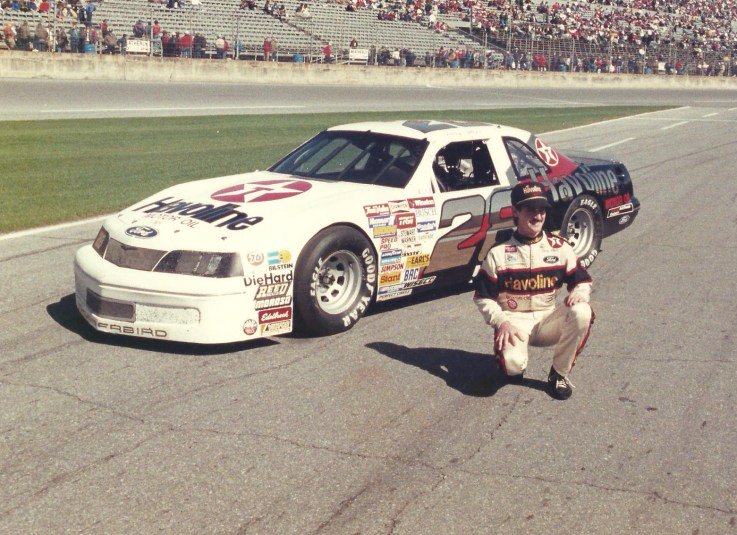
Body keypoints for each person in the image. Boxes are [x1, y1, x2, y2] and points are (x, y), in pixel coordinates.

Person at [473, 181, 594, 400]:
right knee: (513, 366)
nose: (537, 216)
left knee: (583, 311)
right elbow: (482, 297)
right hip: (514, 321)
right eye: (530, 209)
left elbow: (582, 281)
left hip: (547, 320)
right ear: (516, 212)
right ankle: (511, 361)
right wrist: (501, 321)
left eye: (542, 210)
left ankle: (559, 373)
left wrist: (580, 293)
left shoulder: (560, 248)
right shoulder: (498, 252)